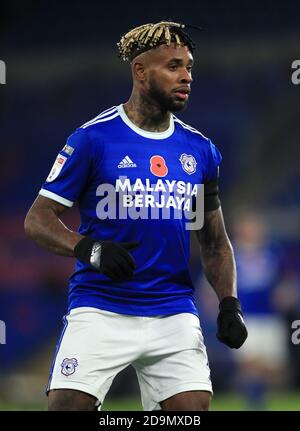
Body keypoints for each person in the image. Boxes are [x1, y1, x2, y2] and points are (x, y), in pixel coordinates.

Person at [24, 20, 247, 411]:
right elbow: (38, 219)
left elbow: (213, 240)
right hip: (101, 306)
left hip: (173, 310)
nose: (187, 77)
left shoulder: (199, 151)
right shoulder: (94, 139)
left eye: (190, 67)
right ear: (141, 71)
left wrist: (229, 304)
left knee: (191, 412)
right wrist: (90, 249)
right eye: (174, 66)